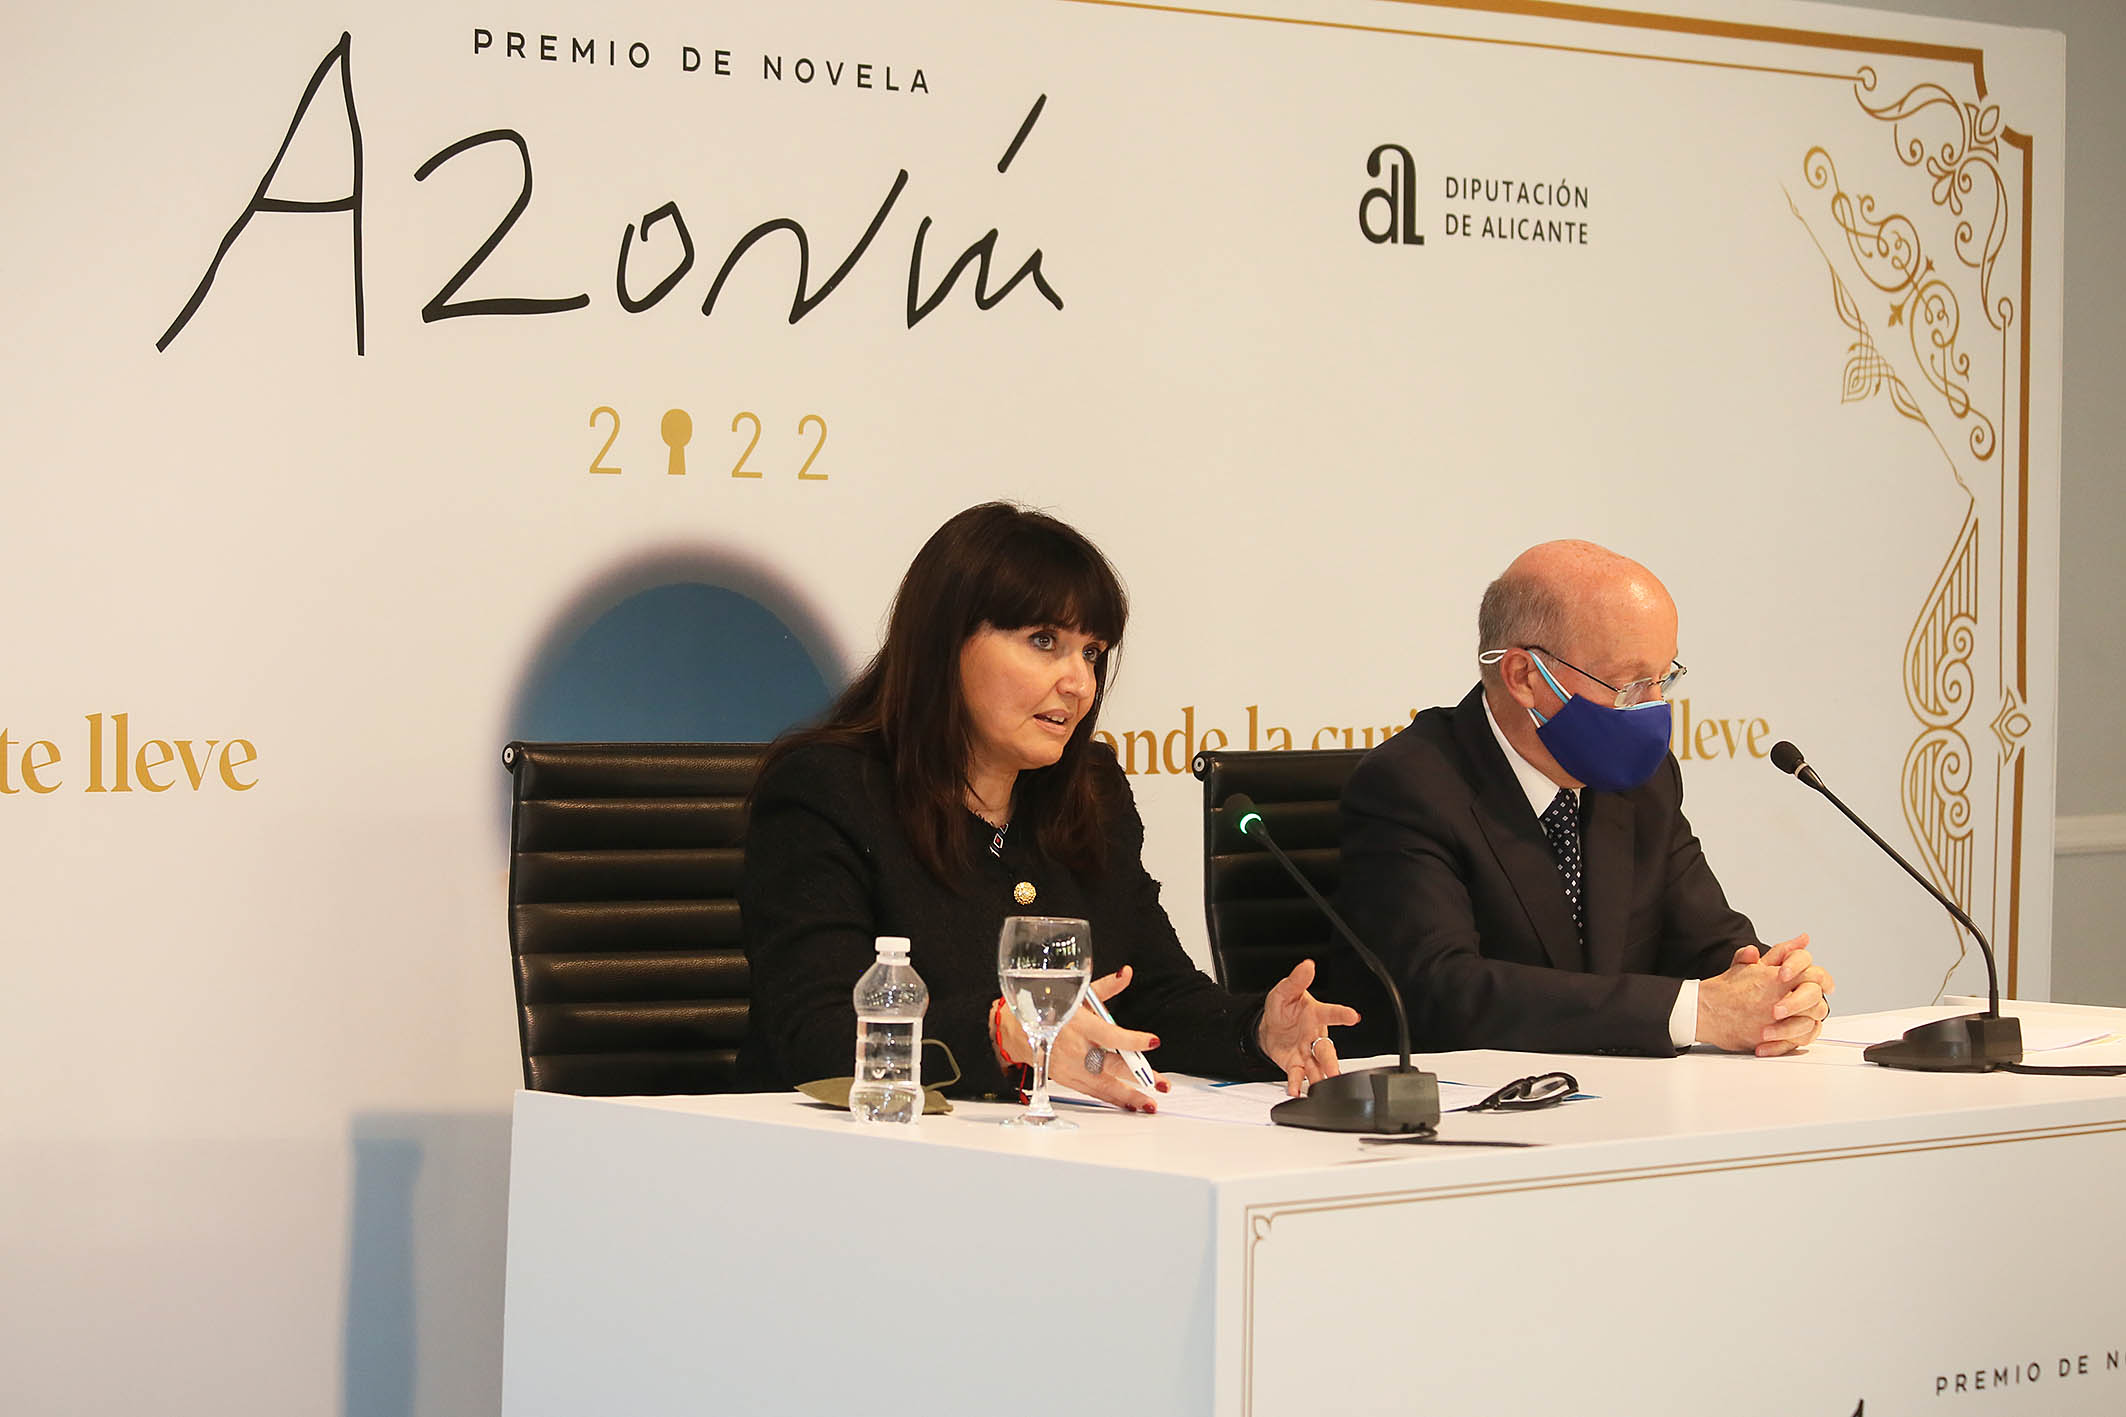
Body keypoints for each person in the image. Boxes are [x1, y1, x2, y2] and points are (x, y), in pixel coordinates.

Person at [740, 502, 1358, 1108]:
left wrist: (1256, 1030)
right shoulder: (828, 791)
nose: (1080, 683)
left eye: (1091, 652)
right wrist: (1001, 1037)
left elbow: (1153, 995)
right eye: (1044, 641)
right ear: (945, 643)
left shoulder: (1090, 792)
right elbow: (817, 1036)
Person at [1327, 539, 1833, 1058]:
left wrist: (1776, 988)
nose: (1654, 707)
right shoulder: (1412, 784)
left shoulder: (1643, 781)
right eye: (1629, 684)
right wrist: (1696, 1011)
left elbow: (1706, 940)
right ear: (1524, 677)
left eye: (1663, 679)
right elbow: (1446, 990)